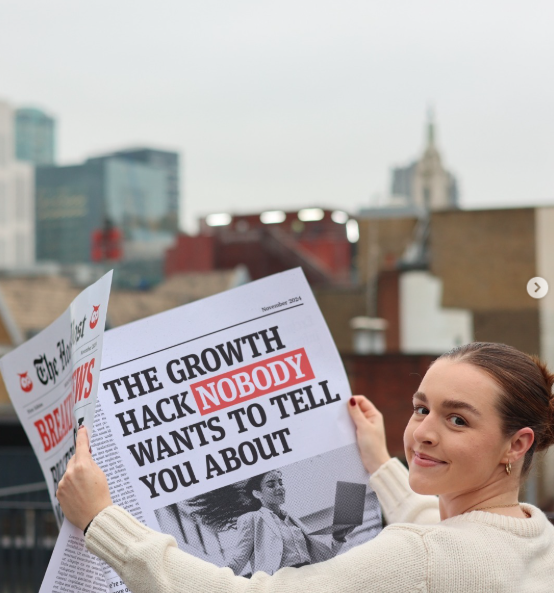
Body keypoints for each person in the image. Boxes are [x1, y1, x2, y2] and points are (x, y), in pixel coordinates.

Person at [57, 342, 554, 592]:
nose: (424, 430)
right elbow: (429, 522)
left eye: (458, 419)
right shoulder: (536, 537)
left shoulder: (420, 557)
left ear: (517, 443)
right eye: (422, 407)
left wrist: (102, 520)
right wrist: (379, 461)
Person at [186, 470, 350, 575]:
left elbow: (322, 554)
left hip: (309, 580)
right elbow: (238, 559)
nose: (279, 487)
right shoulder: (251, 519)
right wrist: (216, 581)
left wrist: (338, 536)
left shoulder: (291, 519)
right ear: (257, 493)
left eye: (280, 482)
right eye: (271, 485)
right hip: (281, 585)